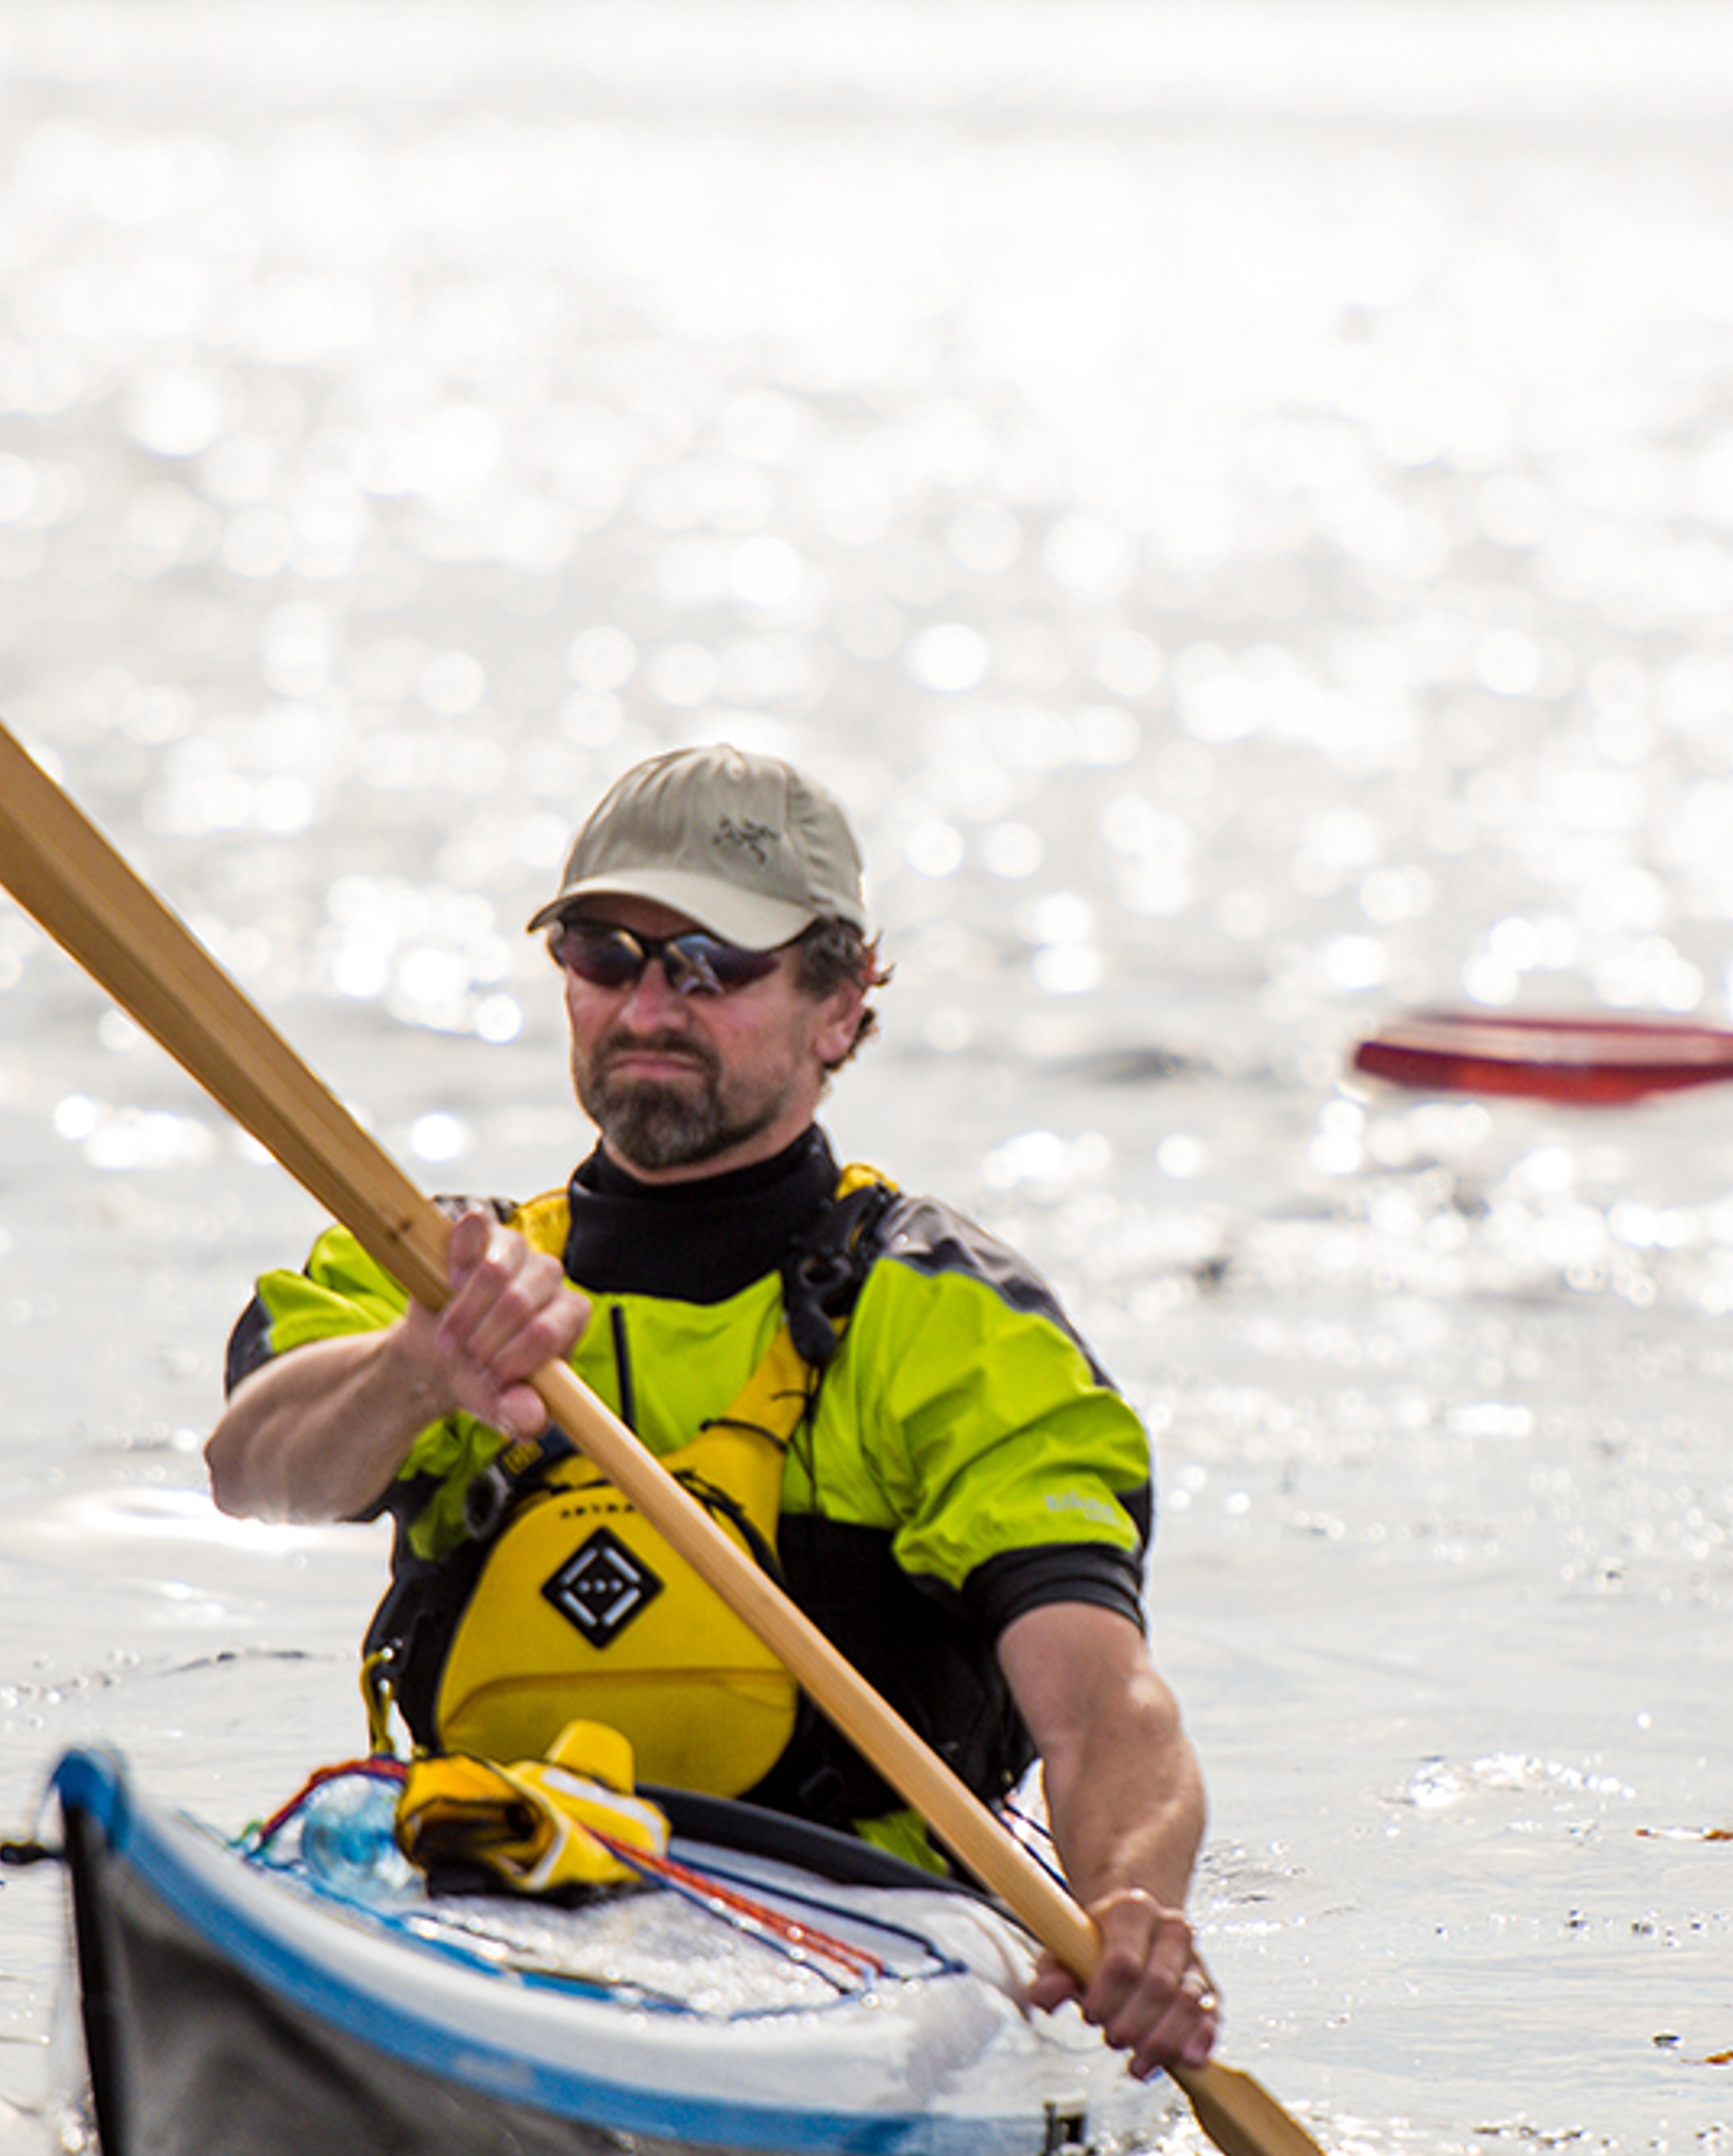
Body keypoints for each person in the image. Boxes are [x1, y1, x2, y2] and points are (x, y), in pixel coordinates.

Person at [206, 743, 1220, 2083]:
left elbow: (1102, 1705)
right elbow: (250, 1475)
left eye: (711, 967)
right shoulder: (447, 1276)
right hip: (491, 1889)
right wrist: (419, 1367)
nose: (646, 1008)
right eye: (604, 954)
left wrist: (1134, 1903)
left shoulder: (949, 1322)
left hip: (856, 1932)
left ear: (841, 1003)